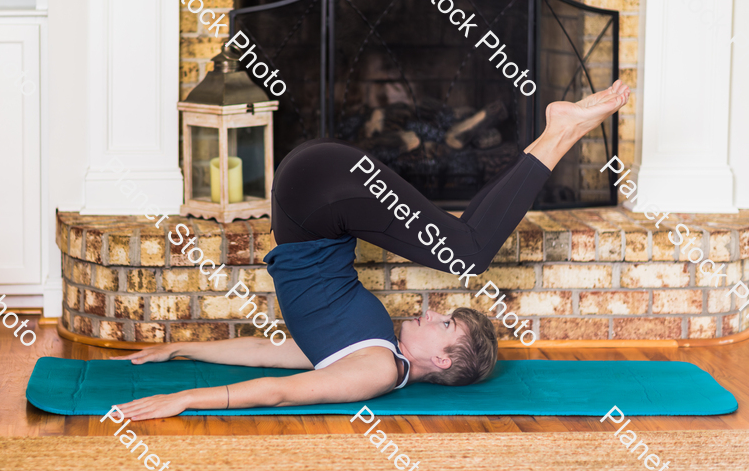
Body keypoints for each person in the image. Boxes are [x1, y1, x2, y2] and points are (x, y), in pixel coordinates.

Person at [114, 80, 631, 420]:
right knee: (465, 244)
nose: (433, 310)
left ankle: (560, 131)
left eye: (445, 324)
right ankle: (560, 131)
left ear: (439, 358)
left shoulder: (377, 369)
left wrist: (184, 381)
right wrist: (181, 353)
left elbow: (275, 375)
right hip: (319, 192)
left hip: (320, 188)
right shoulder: (376, 349)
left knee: (467, 250)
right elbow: (284, 360)